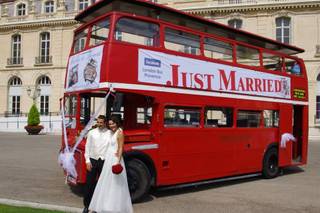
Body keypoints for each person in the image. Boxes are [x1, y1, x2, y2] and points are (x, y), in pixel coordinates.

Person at [89, 115, 133, 213]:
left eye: (113, 123)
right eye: (110, 124)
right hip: (108, 158)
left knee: (115, 183)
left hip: (114, 159)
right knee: (105, 182)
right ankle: (102, 204)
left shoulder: (120, 132)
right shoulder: (112, 132)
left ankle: (114, 207)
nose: (111, 125)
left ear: (117, 123)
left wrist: (117, 161)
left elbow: (121, 147)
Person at [83, 115, 109, 213]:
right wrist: (87, 161)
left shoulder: (110, 133)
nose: (99, 124)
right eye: (98, 122)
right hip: (92, 160)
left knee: (103, 185)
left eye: (101, 122)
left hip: (104, 161)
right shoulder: (91, 133)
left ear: (105, 122)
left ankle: (101, 206)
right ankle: (87, 206)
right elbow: (87, 147)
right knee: (89, 184)